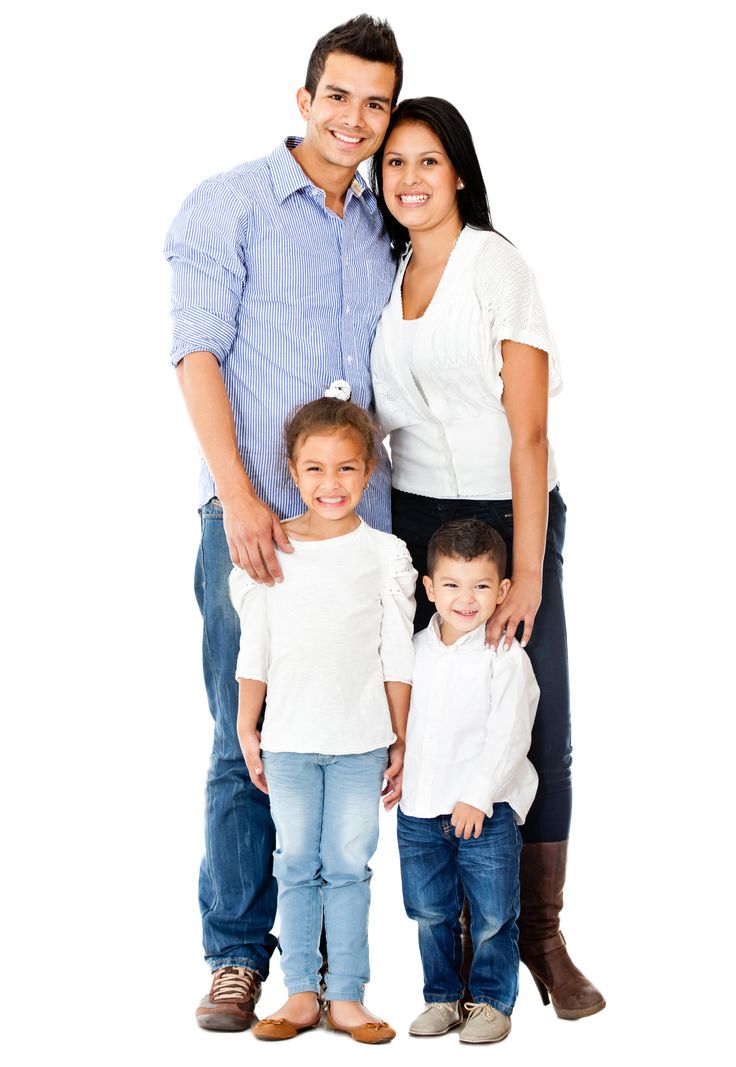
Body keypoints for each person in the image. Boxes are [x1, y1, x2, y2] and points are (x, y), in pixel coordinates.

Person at [163, 15, 403, 1030]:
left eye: (376, 103)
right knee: (245, 736)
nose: (355, 119)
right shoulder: (233, 205)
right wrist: (245, 497)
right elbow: (196, 355)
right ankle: (235, 955)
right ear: (304, 100)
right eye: (339, 96)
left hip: (370, 539)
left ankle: (334, 972)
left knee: (362, 744)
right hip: (257, 526)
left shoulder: (387, 220)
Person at [370, 97, 605, 1019]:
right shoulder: (388, 275)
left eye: (428, 161)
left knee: (535, 719)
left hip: (509, 520)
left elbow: (531, 431)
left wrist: (531, 570)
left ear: (459, 171)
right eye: (393, 164)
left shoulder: (495, 267)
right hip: (416, 520)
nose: (410, 180)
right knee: (436, 724)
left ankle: (540, 935)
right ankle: (459, 947)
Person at [230, 388, 416, 1043]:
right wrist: (247, 728)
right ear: (292, 470)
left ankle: (347, 996)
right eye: (315, 468)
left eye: (346, 468)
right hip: (288, 742)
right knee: (296, 861)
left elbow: (397, 655)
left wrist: (399, 740)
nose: (331, 482)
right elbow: (256, 648)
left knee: (347, 861)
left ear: (368, 471)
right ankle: (300, 992)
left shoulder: (385, 555)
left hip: (361, 740)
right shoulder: (273, 551)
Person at [399, 518, 539, 1044]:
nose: (466, 598)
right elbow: (397, 718)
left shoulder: (505, 657)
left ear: (502, 590)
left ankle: (490, 1001)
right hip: (419, 809)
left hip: (487, 810)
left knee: (492, 914)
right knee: (429, 910)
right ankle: (441, 997)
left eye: (481, 586)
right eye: (452, 585)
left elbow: (510, 734)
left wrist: (477, 795)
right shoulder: (411, 651)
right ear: (429, 588)